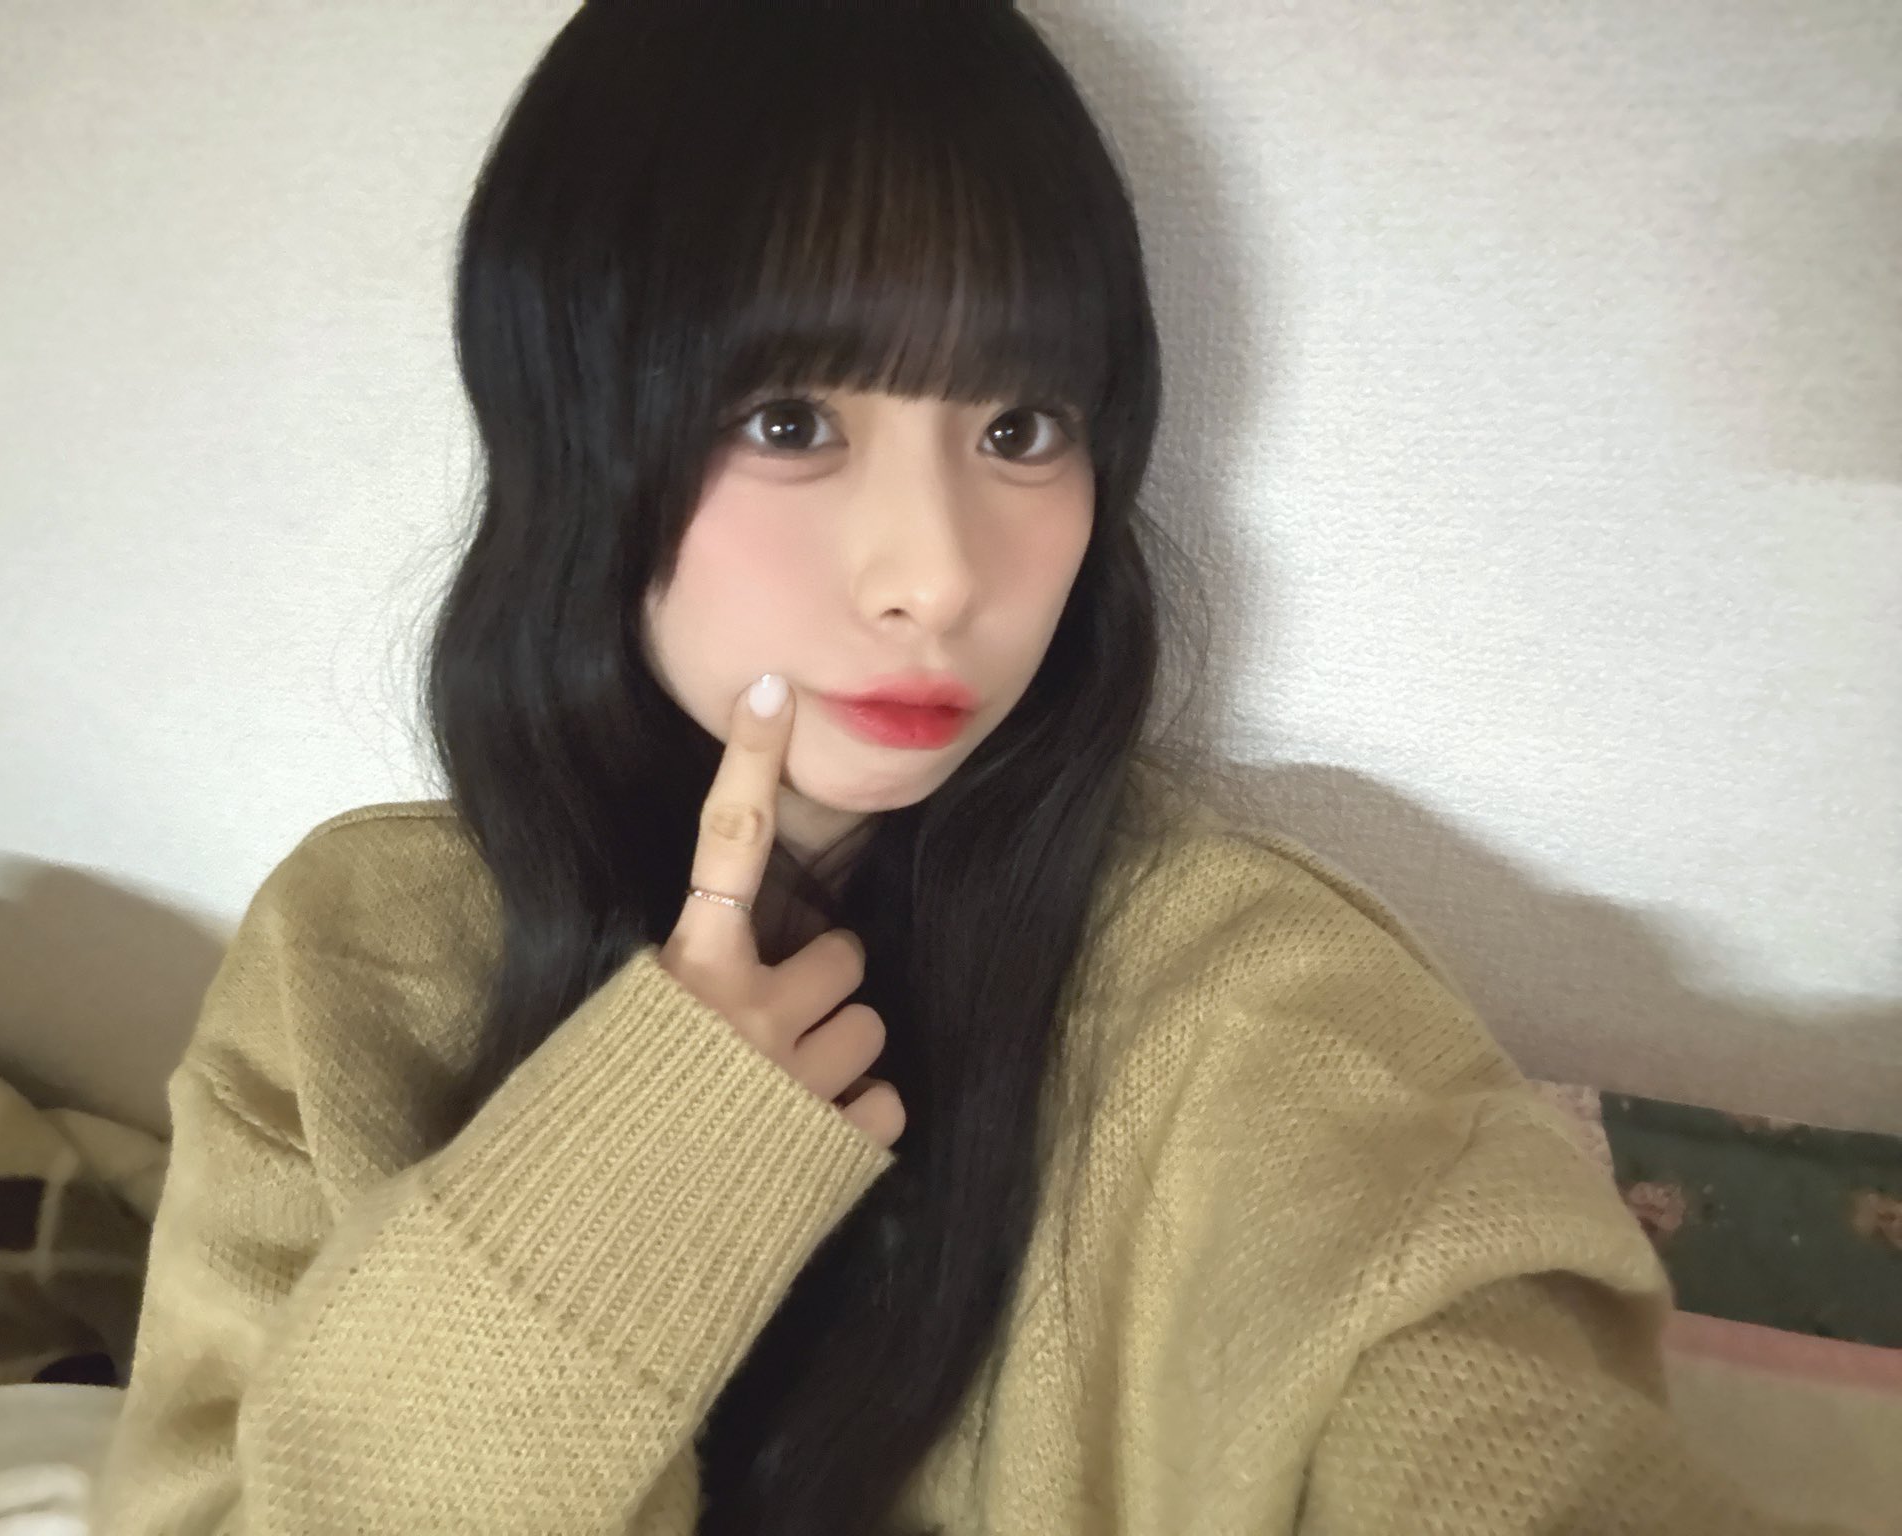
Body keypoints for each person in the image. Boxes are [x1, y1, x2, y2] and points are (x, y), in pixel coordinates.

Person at [91, 3, 1856, 1533]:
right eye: (792, 420)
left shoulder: (1254, 1003)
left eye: (1020, 428)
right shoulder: (352, 962)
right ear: (576, 438)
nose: (937, 574)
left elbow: (1493, 1430)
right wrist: (625, 1177)